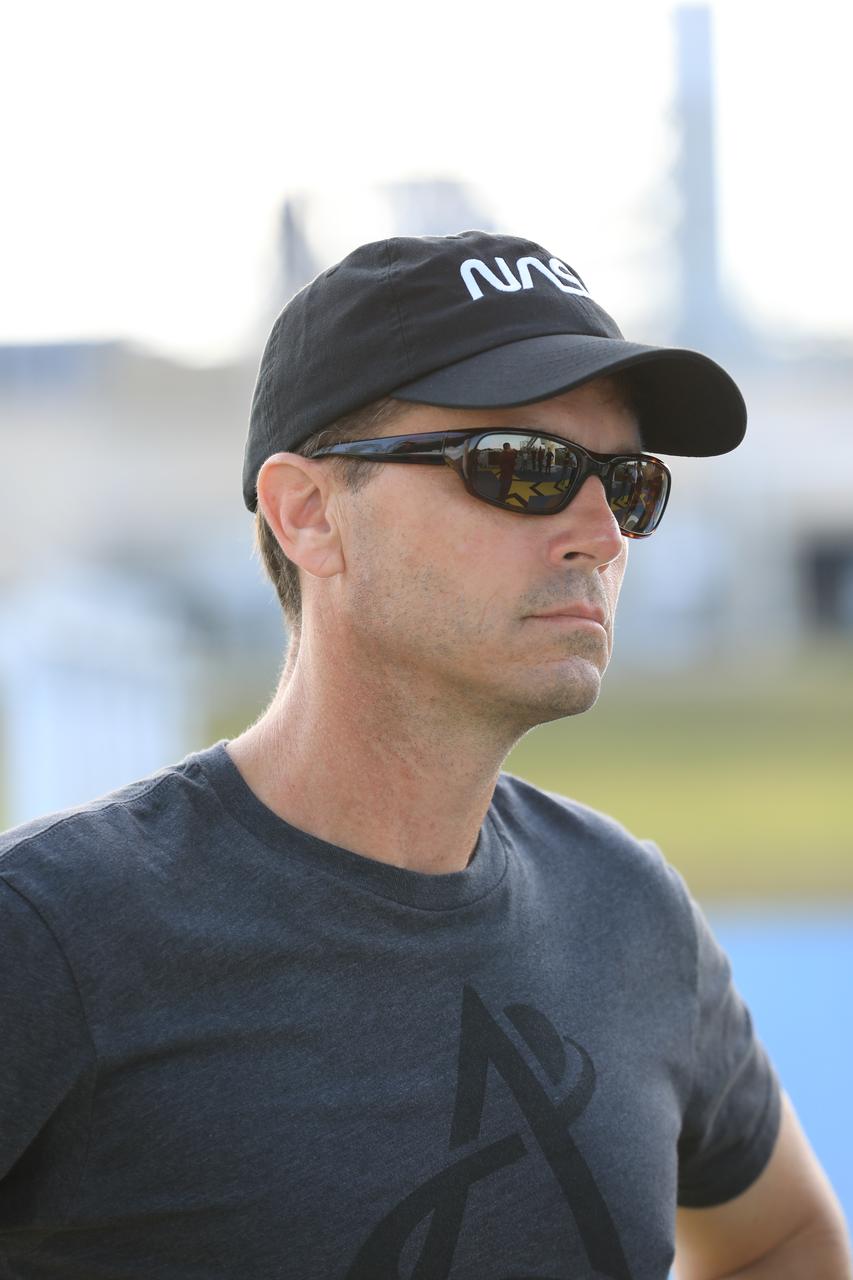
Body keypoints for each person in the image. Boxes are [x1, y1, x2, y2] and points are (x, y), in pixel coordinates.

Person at [0, 231, 849, 1280]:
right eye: (523, 468)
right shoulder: (51, 936)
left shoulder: (630, 913)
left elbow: (782, 1240)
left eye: (626, 481)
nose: (601, 529)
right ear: (308, 514)